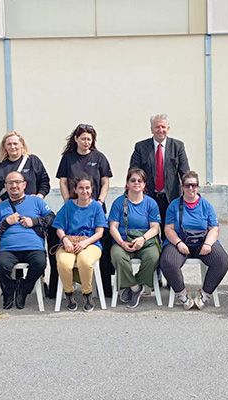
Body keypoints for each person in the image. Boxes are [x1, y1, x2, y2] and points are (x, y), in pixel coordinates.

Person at [56, 123, 113, 295]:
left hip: (94, 206)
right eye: (83, 139)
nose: (86, 142)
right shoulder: (68, 158)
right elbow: (63, 181)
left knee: (100, 245)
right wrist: (68, 201)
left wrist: (100, 200)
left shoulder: (99, 157)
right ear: (76, 139)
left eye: (89, 139)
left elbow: (105, 181)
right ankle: (69, 284)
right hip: (74, 206)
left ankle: (104, 290)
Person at [159, 171, 228, 310]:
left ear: (198, 186)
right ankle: (182, 294)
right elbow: (168, 229)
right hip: (180, 242)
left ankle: (205, 294)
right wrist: (178, 243)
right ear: (182, 187)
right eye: (187, 185)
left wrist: (208, 244)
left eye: (194, 185)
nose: (191, 188)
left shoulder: (206, 205)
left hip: (202, 243)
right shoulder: (174, 205)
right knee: (167, 261)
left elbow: (214, 228)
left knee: (222, 261)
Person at [0, 171, 55, 310]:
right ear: (6, 186)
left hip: (34, 248)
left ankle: (23, 289)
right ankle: (9, 291)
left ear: (24, 185)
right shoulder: (0, 207)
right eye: (10, 183)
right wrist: (6, 222)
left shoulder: (36, 201)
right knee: (0, 266)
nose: (14, 185)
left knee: (40, 264)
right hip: (9, 250)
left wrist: (34, 221)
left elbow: (52, 218)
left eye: (17, 182)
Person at [52, 176, 107, 312]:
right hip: (69, 242)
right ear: (75, 190)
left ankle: (87, 294)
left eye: (87, 188)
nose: (84, 191)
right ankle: (69, 293)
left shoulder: (96, 207)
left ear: (92, 189)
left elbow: (99, 232)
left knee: (85, 261)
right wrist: (64, 239)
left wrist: (85, 243)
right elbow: (59, 227)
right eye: (81, 188)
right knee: (64, 262)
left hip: (91, 243)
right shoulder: (68, 206)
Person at [108, 168, 161, 309]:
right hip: (123, 240)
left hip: (146, 241)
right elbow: (113, 227)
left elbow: (155, 227)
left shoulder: (151, 203)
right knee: (118, 256)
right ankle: (135, 287)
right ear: (127, 184)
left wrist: (143, 239)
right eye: (133, 180)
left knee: (153, 257)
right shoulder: (119, 203)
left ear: (144, 184)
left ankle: (134, 284)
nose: (136, 183)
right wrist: (121, 243)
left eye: (140, 180)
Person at [129, 113, 190, 233]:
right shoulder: (140, 147)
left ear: (168, 128)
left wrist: (188, 192)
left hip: (171, 198)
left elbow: (185, 173)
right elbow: (133, 171)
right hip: (147, 197)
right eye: (157, 127)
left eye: (163, 127)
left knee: (171, 232)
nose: (160, 130)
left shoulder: (178, 146)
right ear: (151, 129)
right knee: (150, 231)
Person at [0, 131, 50, 204]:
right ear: (4, 147)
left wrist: (39, 197)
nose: (12, 147)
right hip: (7, 207)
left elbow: (44, 181)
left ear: (22, 144)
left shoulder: (33, 161)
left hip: (31, 205)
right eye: (9, 144)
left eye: (15, 143)